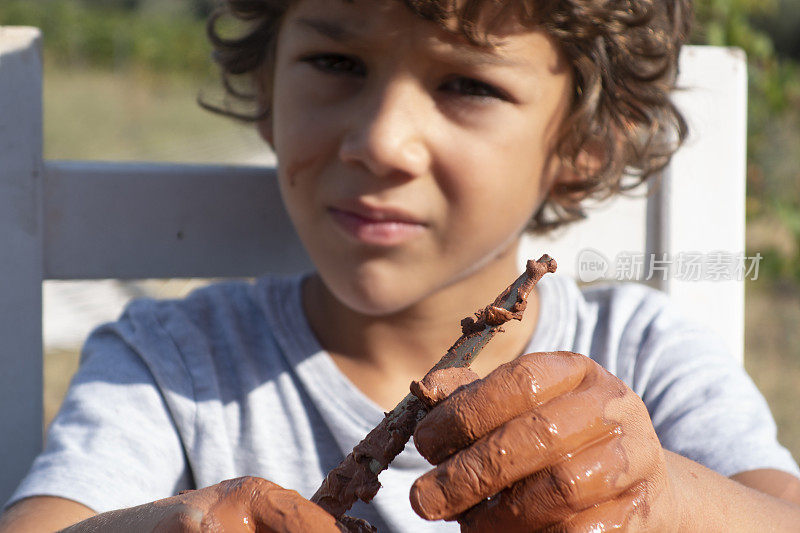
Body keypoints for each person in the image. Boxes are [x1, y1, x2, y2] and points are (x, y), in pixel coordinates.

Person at [2, 0, 800, 530]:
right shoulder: (169, 363)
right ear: (266, 88)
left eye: (466, 83)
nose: (381, 141)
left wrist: (655, 495)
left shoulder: (643, 353)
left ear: (580, 145)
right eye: (338, 64)